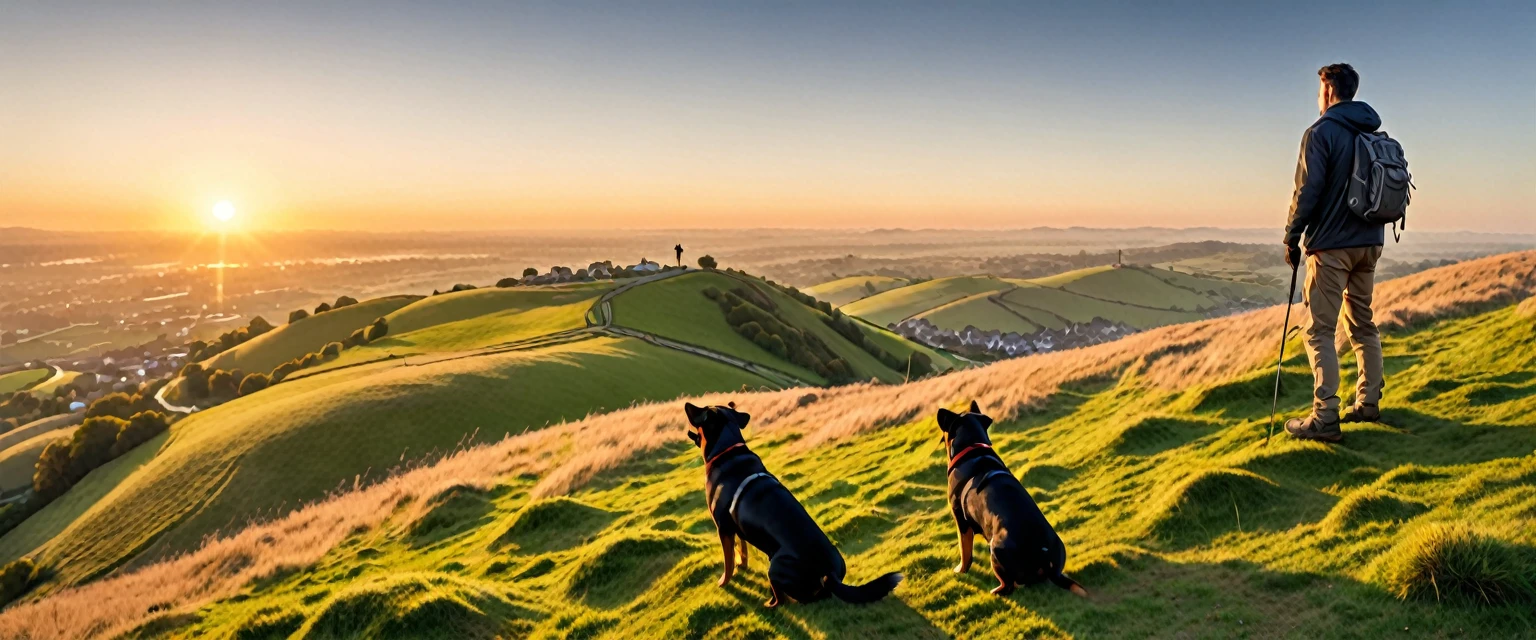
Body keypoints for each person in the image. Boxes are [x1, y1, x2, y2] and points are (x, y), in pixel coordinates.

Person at [1283, 63, 1385, 443]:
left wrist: (1291, 237)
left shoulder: (1320, 132)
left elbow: (1306, 193)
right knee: (1362, 323)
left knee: (1319, 331)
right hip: (1370, 243)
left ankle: (1325, 416)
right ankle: (1368, 403)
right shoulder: (1372, 131)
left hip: (1332, 247)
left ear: (1327, 91)